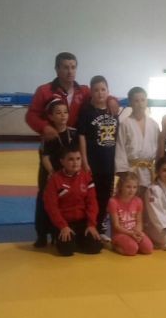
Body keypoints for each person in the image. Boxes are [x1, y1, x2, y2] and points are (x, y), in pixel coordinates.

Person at [25, 52, 118, 139]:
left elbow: (99, 97)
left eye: (73, 67)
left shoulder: (84, 91)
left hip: (77, 141)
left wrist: (111, 100)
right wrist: (44, 127)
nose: (70, 71)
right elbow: (31, 116)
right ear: (57, 69)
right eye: (66, 68)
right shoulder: (44, 91)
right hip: (53, 139)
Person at [34, 99, 79, 247]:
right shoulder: (48, 134)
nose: (63, 115)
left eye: (65, 112)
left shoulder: (73, 133)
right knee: (45, 202)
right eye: (58, 113)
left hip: (67, 173)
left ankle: (57, 231)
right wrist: (53, 173)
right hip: (49, 173)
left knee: (64, 202)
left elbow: (77, 154)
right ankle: (41, 235)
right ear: (51, 116)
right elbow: (44, 157)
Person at [42, 148, 102, 256]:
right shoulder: (55, 180)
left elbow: (92, 202)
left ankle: (77, 240)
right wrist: (63, 226)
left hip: (82, 222)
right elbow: (51, 207)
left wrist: (91, 224)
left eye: (78, 159)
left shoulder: (86, 177)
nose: (75, 162)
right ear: (62, 161)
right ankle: (69, 240)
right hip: (64, 222)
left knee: (95, 247)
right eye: (71, 159)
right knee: (66, 250)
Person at [78, 75, 118, 234]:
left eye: (103, 89)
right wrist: (84, 161)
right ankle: (90, 225)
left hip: (109, 163)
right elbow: (82, 136)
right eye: (96, 90)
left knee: (105, 196)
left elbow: (117, 137)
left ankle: (101, 224)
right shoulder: (86, 112)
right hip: (93, 163)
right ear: (91, 92)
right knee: (91, 196)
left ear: (108, 91)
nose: (100, 93)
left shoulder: (113, 111)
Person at [115, 86, 160, 191]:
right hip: (131, 172)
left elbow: (159, 149)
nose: (140, 104)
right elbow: (120, 149)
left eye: (143, 100)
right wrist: (124, 174)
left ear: (146, 101)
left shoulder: (154, 125)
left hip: (150, 171)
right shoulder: (125, 124)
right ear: (130, 103)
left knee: (149, 199)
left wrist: (158, 169)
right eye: (136, 101)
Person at [107, 172, 153, 256]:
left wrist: (138, 232)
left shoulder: (138, 201)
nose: (132, 190)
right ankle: (115, 246)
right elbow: (116, 226)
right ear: (121, 186)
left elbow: (139, 221)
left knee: (148, 248)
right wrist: (131, 234)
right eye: (128, 187)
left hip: (133, 232)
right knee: (132, 250)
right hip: (120, 233)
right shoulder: (113, 201)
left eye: (134, 187)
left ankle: (132, 243)